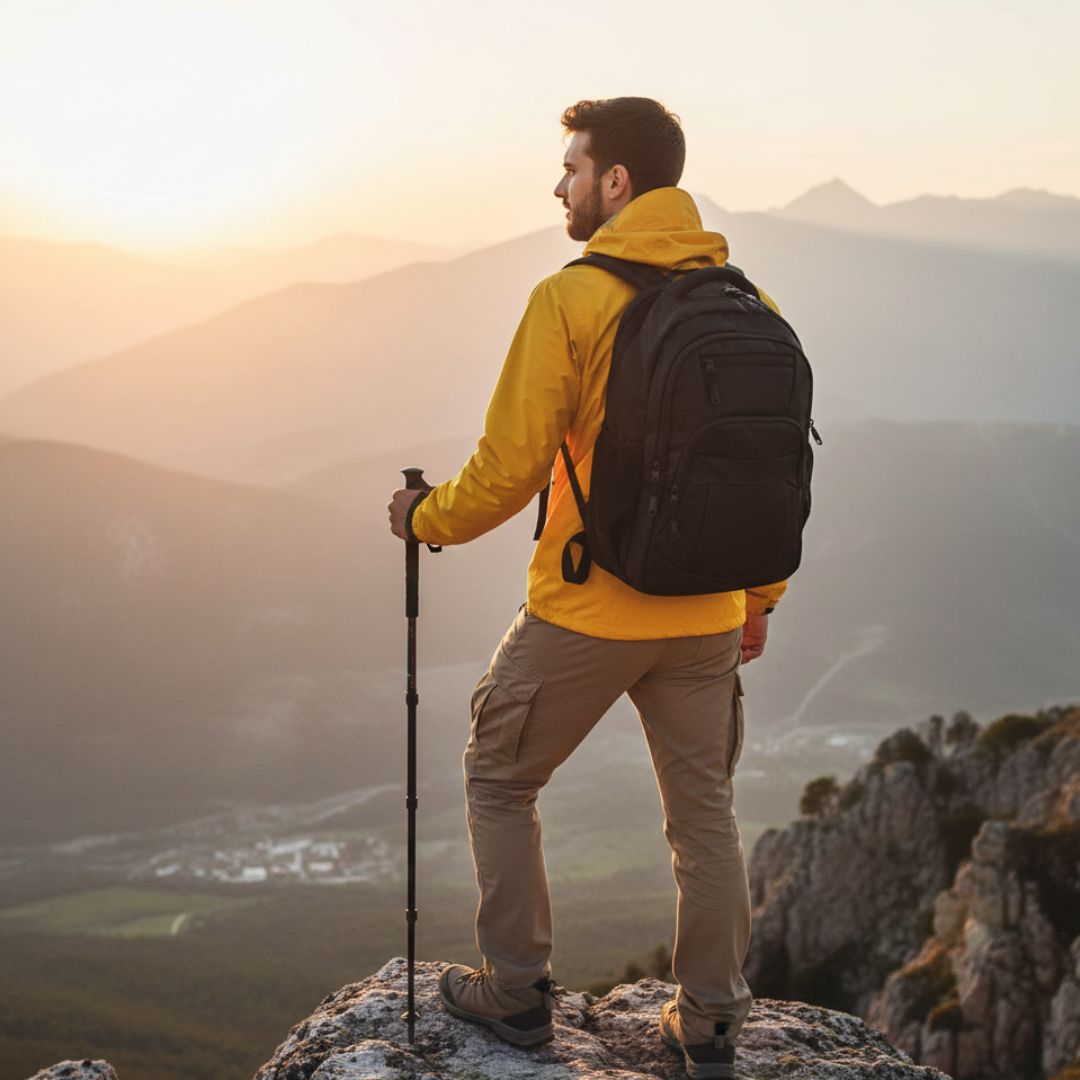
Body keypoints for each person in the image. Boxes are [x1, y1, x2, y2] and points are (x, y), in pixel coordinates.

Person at [388, 96, 786, 1080]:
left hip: (590, 606)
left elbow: (508, 469)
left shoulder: (570, 299)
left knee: (498, 775)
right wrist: (757, 602)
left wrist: (425, 518)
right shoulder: (751, 305)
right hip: (707, 612)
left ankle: (517, 992)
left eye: (571, 169)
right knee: (705, 819)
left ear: (616, 182)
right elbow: (772, 471)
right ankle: (711, 1026)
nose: (558, 187)